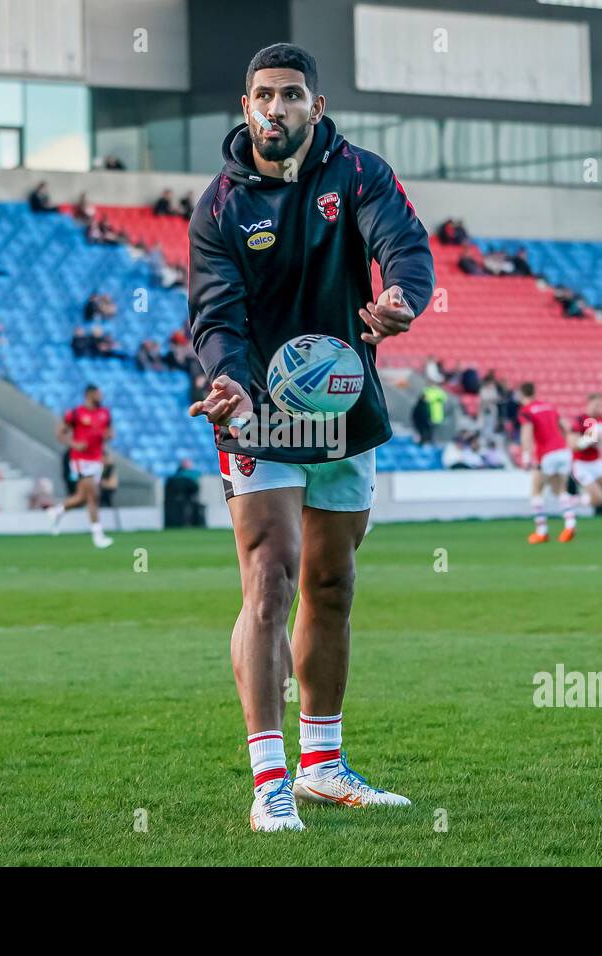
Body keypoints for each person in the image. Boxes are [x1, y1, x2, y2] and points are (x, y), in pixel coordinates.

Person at [186, 43, 432, 831]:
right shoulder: (219, 206)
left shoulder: (357, 173)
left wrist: (399, 295)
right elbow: (216, 315)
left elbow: (403, 242)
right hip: (255, 403)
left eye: (292, 94)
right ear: (245, 104)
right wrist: (226, 377)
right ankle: (269, 779)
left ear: (315, 108)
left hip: (341, 397)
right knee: (271, 578)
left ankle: (323, 764)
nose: (276, 107)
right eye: (263, 94)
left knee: (333, 584)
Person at [47, 384, 113, 548]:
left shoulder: (104, 413)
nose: (101, 396)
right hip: (80, 459)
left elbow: (109, 432)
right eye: (98, 393)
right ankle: (98, 536)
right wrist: (74, 444)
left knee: (82, 498)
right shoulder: (76, 413)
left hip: (96, 459)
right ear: (89, 394)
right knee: (93, 496)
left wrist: (107, 436)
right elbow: (59, 432)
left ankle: (56, 511)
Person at [518, 382, 576, 543]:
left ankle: (541, 530)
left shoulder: (526, 411)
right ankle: (570, 523)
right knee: (560, 489)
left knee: (536, 489)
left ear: (521, 394)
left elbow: (527, 434)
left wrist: (526, 457)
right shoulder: (549, 406)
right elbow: (566, 426)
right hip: (563, 451)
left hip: (547, 453)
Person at [570, 392, 602, 535]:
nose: (600, 407)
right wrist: (588, 440)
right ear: (589, 404)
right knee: (598, 499)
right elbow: (573, 444)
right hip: (581, 464)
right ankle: (573, 501)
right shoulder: (581, 420)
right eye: (597, 404)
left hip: (597, 462)